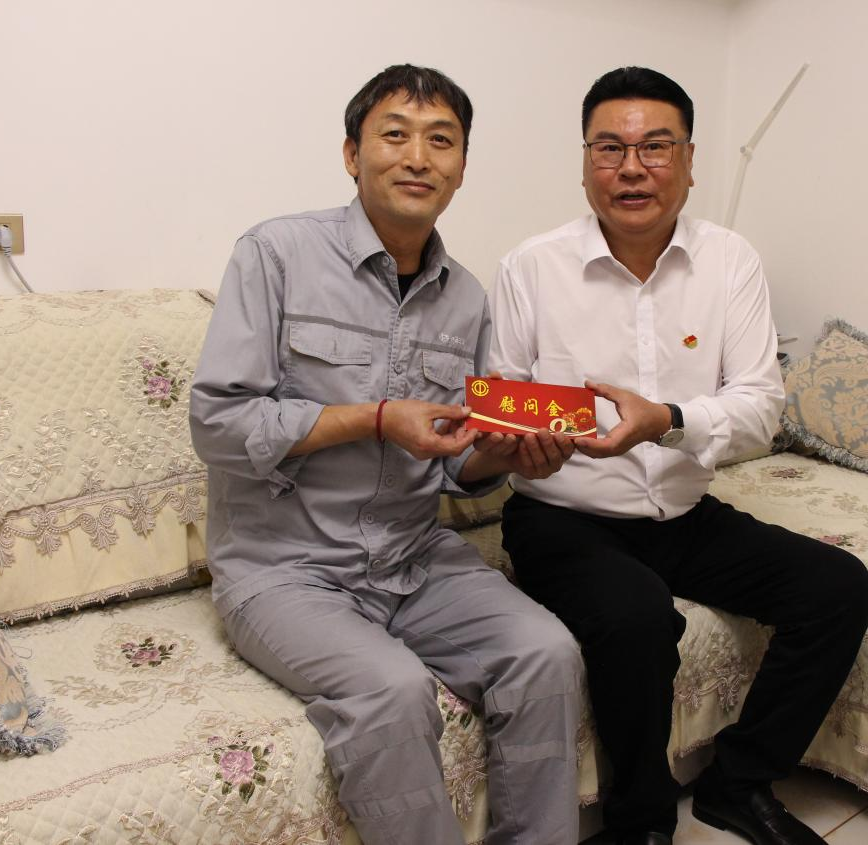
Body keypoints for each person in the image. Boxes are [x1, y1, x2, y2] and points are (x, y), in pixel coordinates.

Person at [189, 64, 583, 845]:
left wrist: (508, 457)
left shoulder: (466, 297)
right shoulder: (274, 253)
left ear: (461, 168)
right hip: (283, 569)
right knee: (394, 688)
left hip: (411, 557)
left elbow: (454, 468)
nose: (417, 157)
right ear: (351, 154)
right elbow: (217, 422)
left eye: (440, 140)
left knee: (547, 651)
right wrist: (372, 419)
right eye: (394, 135)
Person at [488, 67, 868, 845]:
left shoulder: (730, 261)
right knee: (637, 616)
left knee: (837, 586)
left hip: (682, 511)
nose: (631, 168)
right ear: (585, 163)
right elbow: (500, 405)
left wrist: (665, 421)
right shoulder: (529, 266)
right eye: (609, 148)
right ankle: (639, 823)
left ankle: (738, 782)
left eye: (655, 147)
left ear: (689, 161)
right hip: (564, 519)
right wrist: (516, 448)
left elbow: (760, 408)